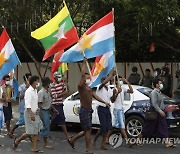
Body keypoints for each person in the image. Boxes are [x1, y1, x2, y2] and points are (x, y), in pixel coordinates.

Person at [68, 58, 110, 154]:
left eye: (87, 78)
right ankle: (87, 150)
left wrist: (105, 102)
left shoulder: (89, 88)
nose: (87, 79)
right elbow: (82, 75)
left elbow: (95, 96)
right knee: (88, 131)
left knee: (86, 130)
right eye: (86, 78)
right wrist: (83, 63)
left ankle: (72, 139)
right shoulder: (81, 87)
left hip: (89, 110)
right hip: (84, 110)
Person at [137, 78, 176, 148]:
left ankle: (167, 142)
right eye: (160, 83)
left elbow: (161, 103)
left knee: (163, 126)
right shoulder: (153, 93)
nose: (161, 84)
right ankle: (139, 138)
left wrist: (164, 109)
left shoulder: (159, 92)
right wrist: (160, 111)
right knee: (148, 128)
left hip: (160, 113)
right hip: (155, 113)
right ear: (156, 84)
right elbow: (154, 104)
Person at [13, 75, 44, 152]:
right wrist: (31, 113)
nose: (38, 83)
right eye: (37, 81)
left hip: (35, 112)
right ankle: (17, 140)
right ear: (33, 82)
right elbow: (28, 104)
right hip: (29, 113)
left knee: (36, 131)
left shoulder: (35, 90)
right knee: (29, 132)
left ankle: (34, 148)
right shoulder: (29, 91)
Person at [92, 72, 115, 150]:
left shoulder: (109, 89)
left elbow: (112, 100)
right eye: (105, 80)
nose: (107, 81)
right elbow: (103, 83)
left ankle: (102, 144)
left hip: (107, 108)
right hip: (101, 108)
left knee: (109, 127)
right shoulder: (99, 87)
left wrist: (116, 93)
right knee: (103, 127)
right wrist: (111, 75)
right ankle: (94, 140)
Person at [110, 76, 133, 145]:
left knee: (114, 125)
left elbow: (131, 91)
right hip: (117, 109)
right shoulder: (114, 90)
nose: (121, 81)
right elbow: (112, 100)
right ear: (116, 82)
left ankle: (106, 138)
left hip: (121, 109)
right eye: (119, 80)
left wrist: (127, 82)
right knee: (122, 126)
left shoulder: (123, 88)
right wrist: (117, 93)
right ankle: (127, 141)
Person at [50, 72, 71, 144]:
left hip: (60, 104)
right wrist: (63, 93)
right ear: (55, 77)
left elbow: (67, 91)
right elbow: (54, 96)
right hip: (55, 105)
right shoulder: (52, 85)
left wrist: (66, 83)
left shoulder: (61, 84)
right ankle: (67, 135)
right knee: (59, 120)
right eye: (58, 77)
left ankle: (67, 135)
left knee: (59, 120)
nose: (59, 78)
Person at [38, 77, 59, 149]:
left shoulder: (48, 91)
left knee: (46, 126)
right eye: (49, 83)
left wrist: (54, 109)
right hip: (43, 111)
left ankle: (43, 139)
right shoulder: (41, 92)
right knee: (46, 126)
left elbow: (49, 102)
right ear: (46, 84)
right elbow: (40, 104)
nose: (50, 84)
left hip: (48, 110)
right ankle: (45, 143)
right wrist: (40, 114)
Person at [9, 73, 32, 138]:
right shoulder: (21, 87)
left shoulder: (32, 87)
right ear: (26, 79)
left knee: (30, 122)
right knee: (21, 121)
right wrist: (26, 89)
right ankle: (11, 131)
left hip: (29, 107)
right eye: (29, 79)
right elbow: (21, 97)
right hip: (23, 107)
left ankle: (31, 136)